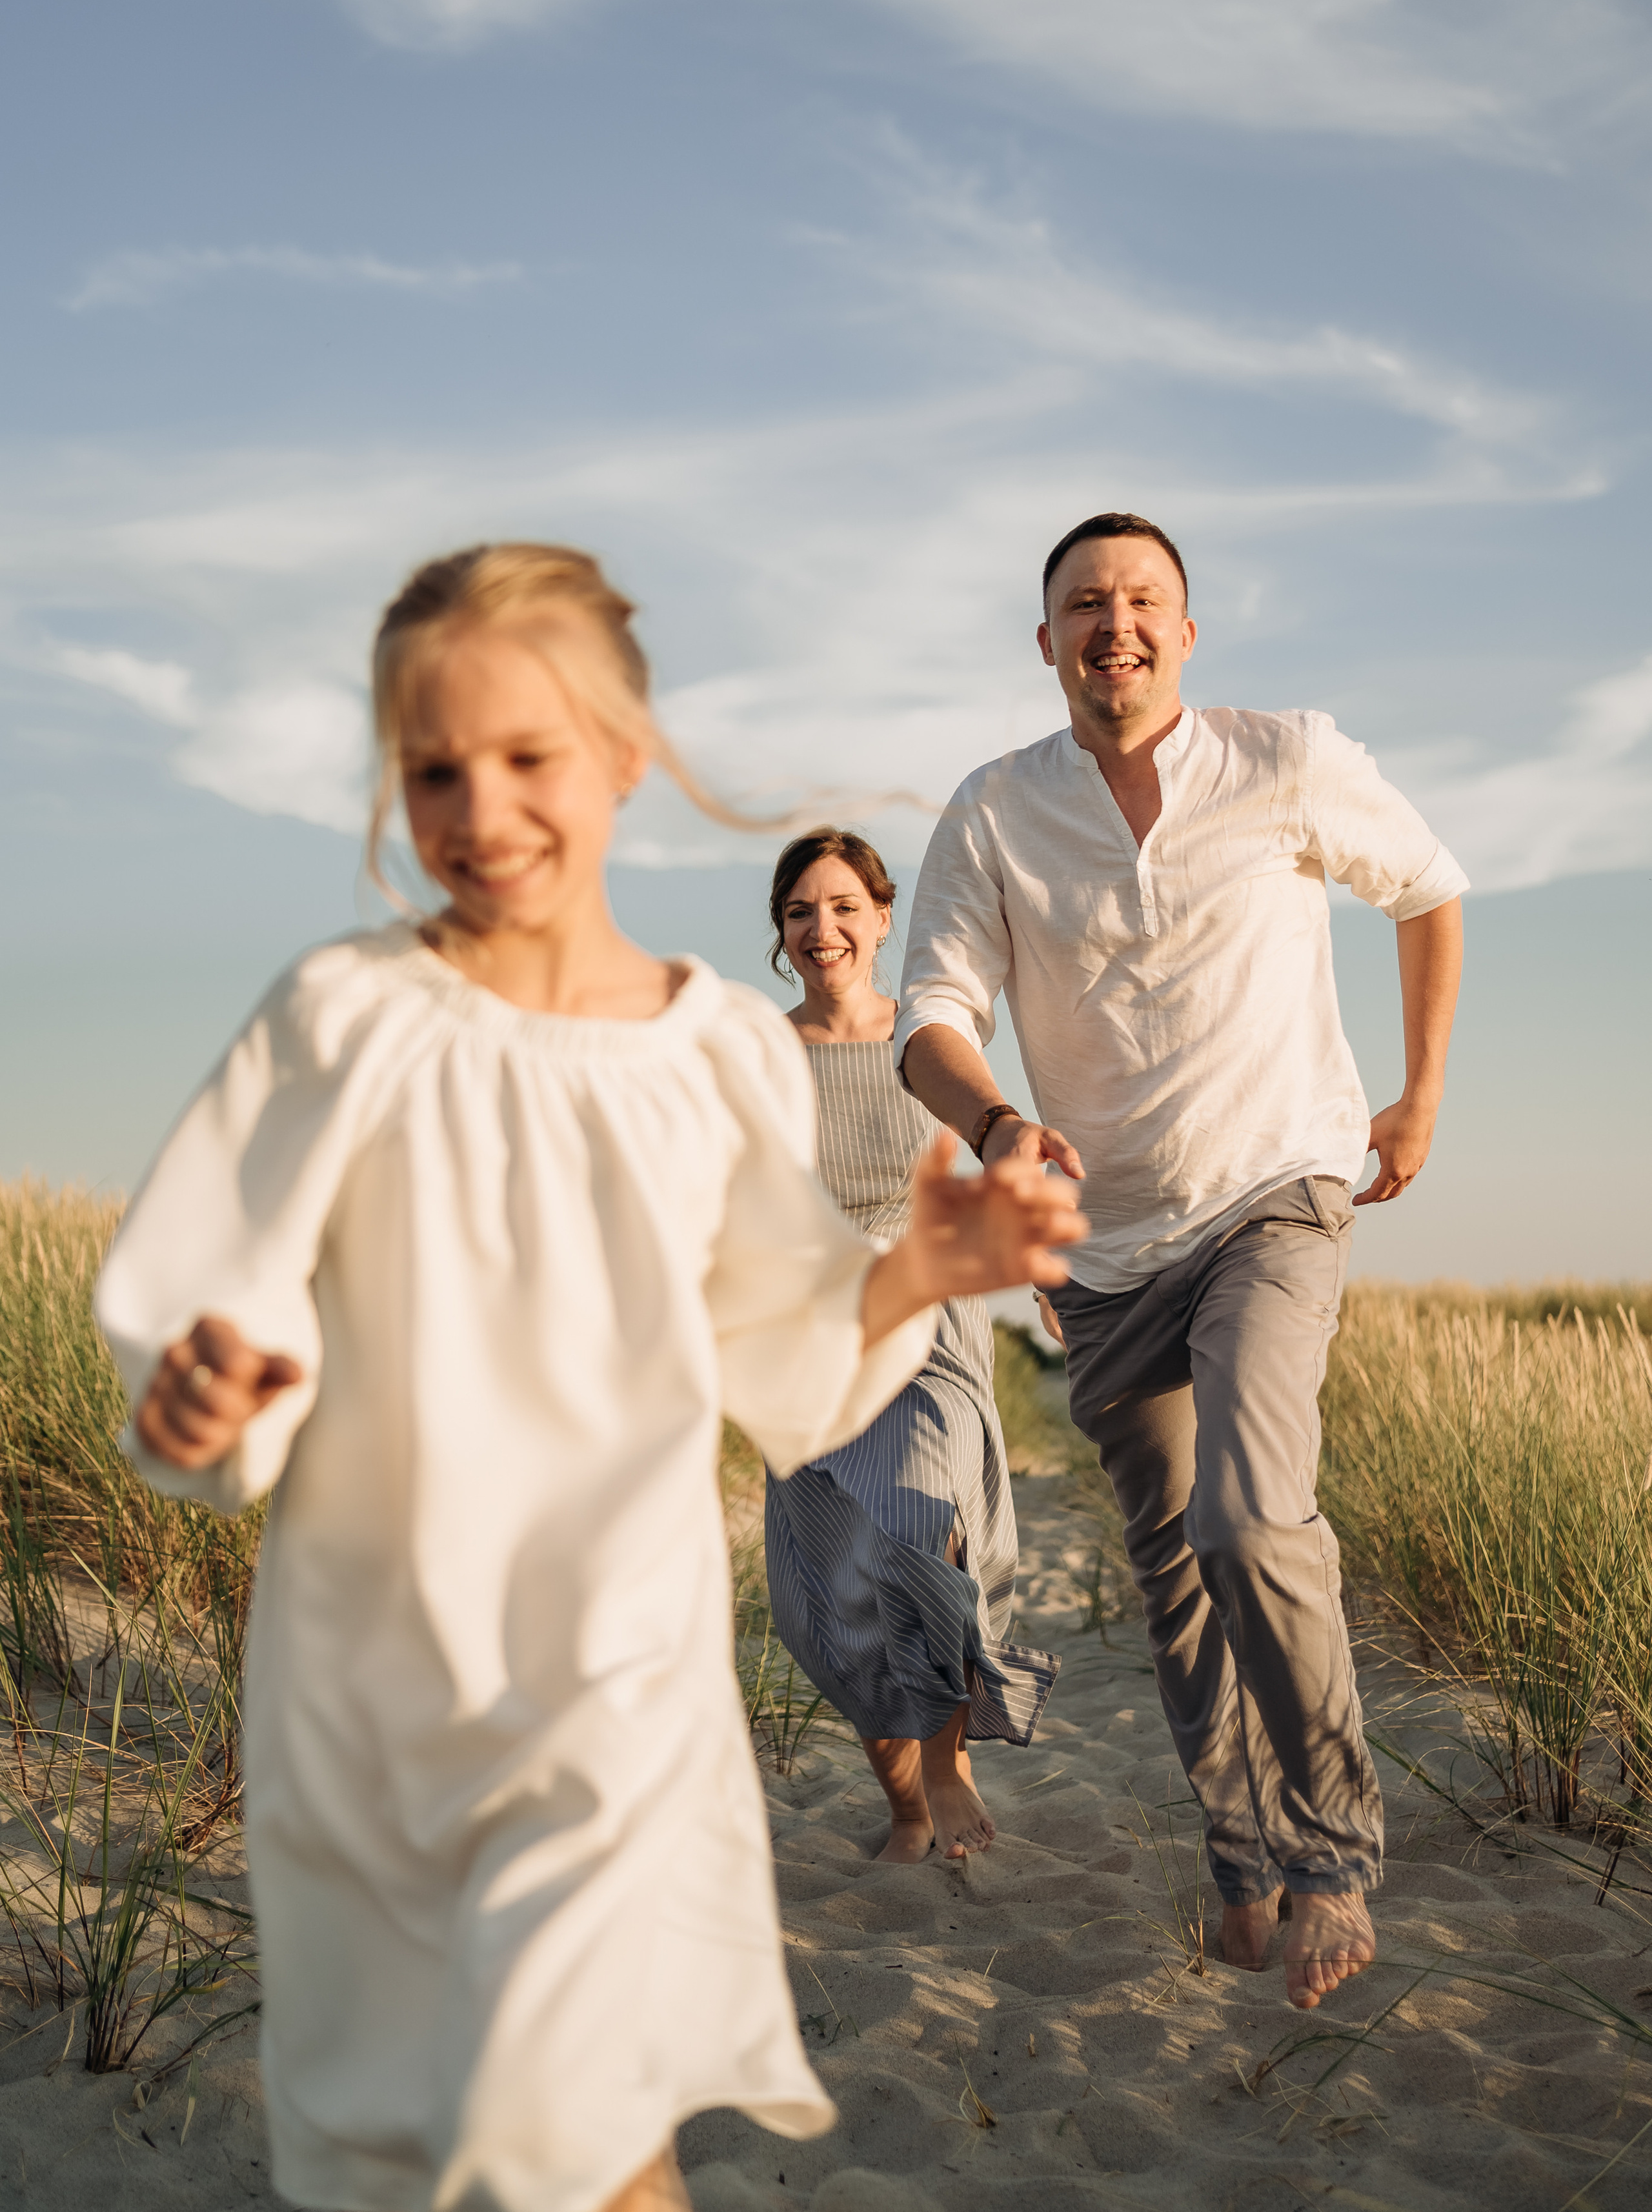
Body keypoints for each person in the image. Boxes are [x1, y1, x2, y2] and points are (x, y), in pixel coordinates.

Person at [92, 544, 1085, 2212]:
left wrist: (924, 1270)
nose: (480, 809)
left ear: (627, 753)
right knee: (415, 2140)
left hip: (618, 1673)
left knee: (594, 2116)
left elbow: (778, 1346)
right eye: (432, 769)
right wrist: (208, 1397)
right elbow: (214, 1290)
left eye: (530, 757)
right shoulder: (340, 1015)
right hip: (372, 1675)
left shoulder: (709, 1051)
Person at [893, 510, 1466, 2015]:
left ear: (1186, 632)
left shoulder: (1286, 758)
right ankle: (1241, 1861)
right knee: (1169, 1568)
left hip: (1273, 1190)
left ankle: (1334, 1849)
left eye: (1142, 599)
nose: (1114, 625)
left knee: (1246, 1509)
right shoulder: (993, 813)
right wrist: (1000, 1121)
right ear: (1045, 643)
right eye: (1084, 604)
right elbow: (928, 1020)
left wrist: (1417, 1093)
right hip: (1100, 1250)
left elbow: (1423, 886)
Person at [760, 827, 1060, 1865]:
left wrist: (1048, 1280)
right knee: (837, 1586)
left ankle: (948, 1759)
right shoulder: (756, 1056)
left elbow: (990, 1170)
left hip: (927, 1315)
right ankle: (903, 1810)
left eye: (845, 906)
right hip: (807, 1332)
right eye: (802, 911)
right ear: (780, 934)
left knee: (918, 1523)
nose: (823, 928)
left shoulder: (930, 1042)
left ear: (885, 918)